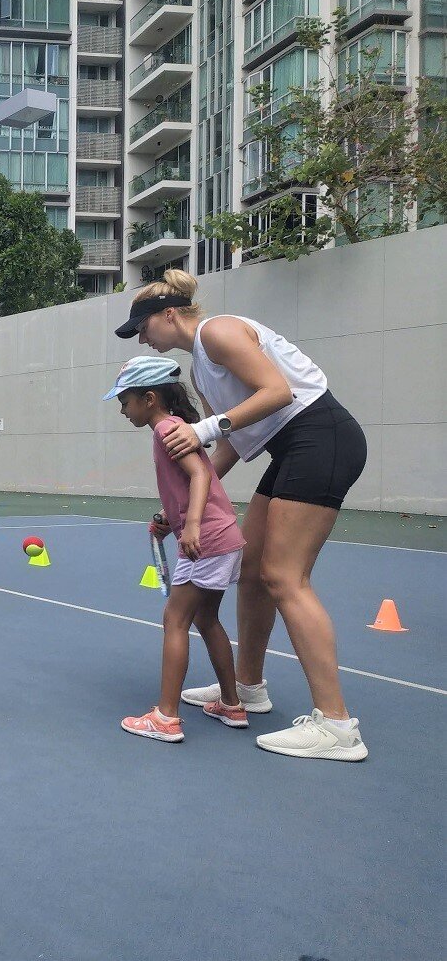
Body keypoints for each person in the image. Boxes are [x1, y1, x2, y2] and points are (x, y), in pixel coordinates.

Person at [115, 269, 368, 761]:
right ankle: (248, 686)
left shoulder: (219, 331)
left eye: (144, 327)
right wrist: (190, 502)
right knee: (251, 570)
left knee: (284, 576)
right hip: (289, 448)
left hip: (321, 437)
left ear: (170, 315)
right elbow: (229, 443)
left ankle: (337, 726)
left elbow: (278, 392)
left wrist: (204, 427)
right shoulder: (199, 368)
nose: (143, 338)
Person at [104, 356, 247, 743]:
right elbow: (189, 483)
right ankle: (231, 704)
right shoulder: (175, 427)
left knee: (176, 619)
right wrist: (172, 520)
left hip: (208, 541)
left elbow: (201, 475)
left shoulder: (166, 428)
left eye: (125, 401)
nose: (121, 409)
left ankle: (166, 717)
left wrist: (194, 526)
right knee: (207, 620)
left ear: (149, 398)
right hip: (222, 537)